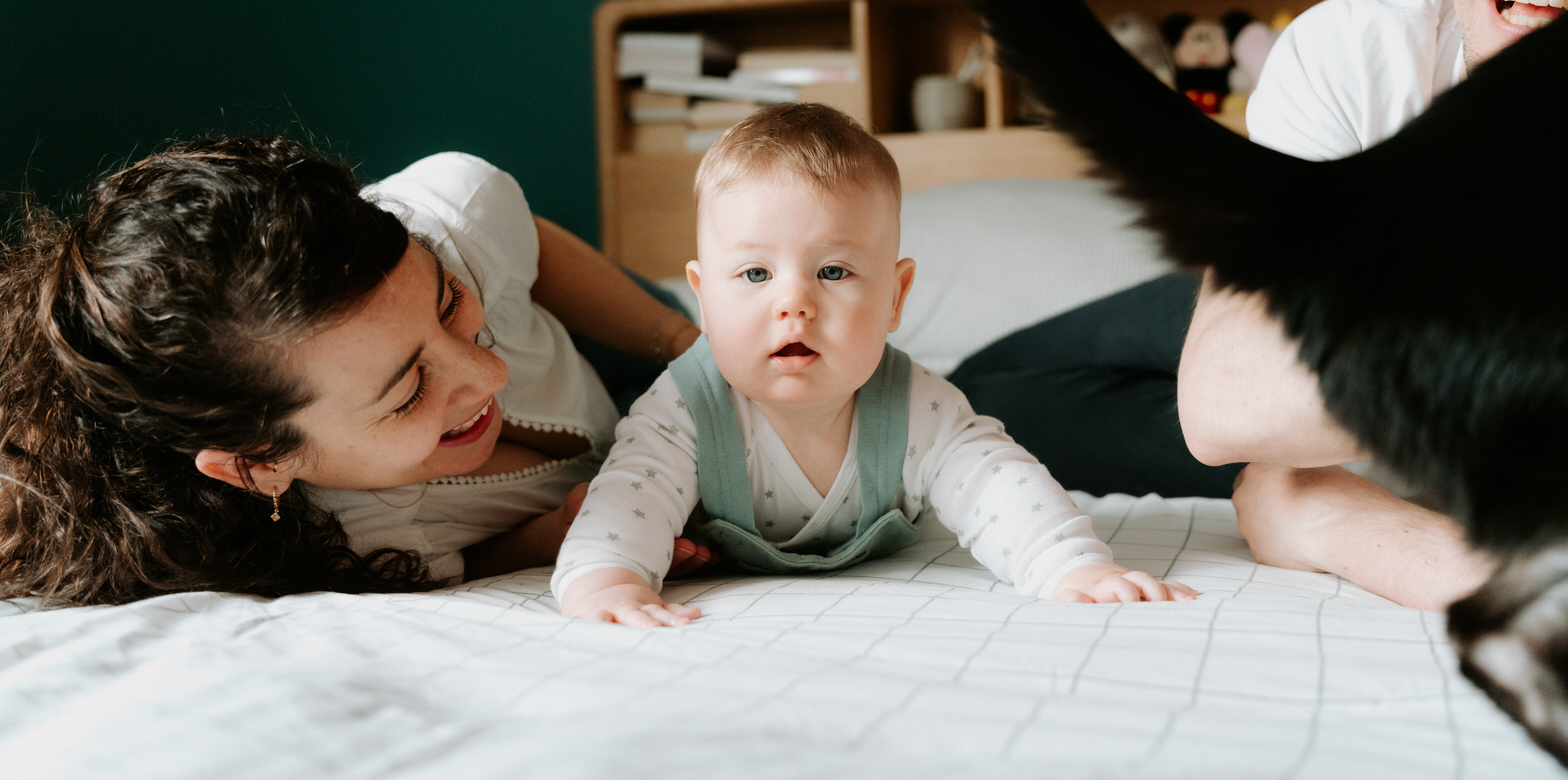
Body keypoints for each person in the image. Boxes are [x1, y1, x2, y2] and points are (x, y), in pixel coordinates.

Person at [954, 0, 1568, 612]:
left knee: (982, 414)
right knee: (977, 391)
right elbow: (1223, 398)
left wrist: (1343, 521)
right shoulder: (1361, 49)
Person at [553, 104, 1195, 627]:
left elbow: (994, 480)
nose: (794, 303)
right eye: (754, 273)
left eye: (833, 270)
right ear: (703, 296)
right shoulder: (685, 406)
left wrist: (1068, 565)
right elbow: (629, 492)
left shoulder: (917, 404)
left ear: (895, 295)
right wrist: (607, 579)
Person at [0, 138, 706, 604]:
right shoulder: (356, 539)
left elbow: (534, 250)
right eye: (407, 394)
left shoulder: (457, 215)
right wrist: (557, 531)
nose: (487, 372)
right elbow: (467, 556)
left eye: (449, 301)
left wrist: (683, 340)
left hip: (624, 337)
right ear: (258, 467)